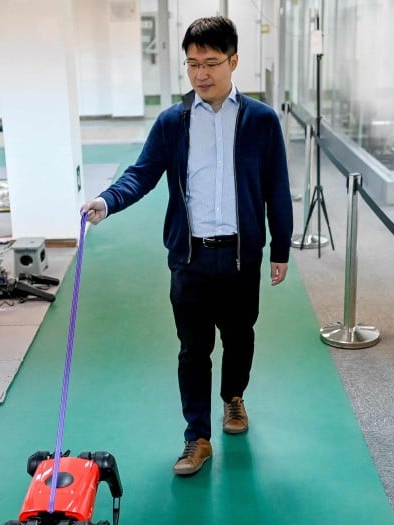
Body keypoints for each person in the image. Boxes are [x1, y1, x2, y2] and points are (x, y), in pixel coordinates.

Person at [81, 16, 292, 477]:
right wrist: (106, 201)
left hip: (241, 255)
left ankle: (233, 397)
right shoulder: (173, 123)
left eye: (211, 63)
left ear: (234, 61)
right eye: (192, 64)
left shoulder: (261, 121)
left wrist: (281, 248)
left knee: (239, 337)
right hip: (191, 257)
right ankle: (196, 437)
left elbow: (277, 186)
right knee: (193, 350)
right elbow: (142, 173)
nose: (200, 74)